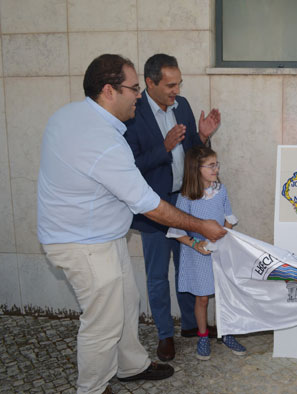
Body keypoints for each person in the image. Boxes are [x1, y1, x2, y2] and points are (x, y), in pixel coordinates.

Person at [37, 54, 226, 394]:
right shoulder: (103, 140)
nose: (138, 95)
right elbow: (148, 203)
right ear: (109, 90)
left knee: (126, 302)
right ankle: (92, 388)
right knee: (103, 321)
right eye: (134, 88)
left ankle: (130, 365)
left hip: (102, 235)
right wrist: (200, 225)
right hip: (84, 243)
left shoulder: (69, 115)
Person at [124, 54, 221, 362]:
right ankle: (165, 335)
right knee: (156, 275)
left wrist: (202, 135)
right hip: (153, 209)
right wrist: (163, 147)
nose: (175, 90)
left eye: (178, 83)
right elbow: (129, 167)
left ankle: (192, 326)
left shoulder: (183, 105)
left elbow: (192, 148)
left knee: (189, 267)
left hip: (184, 203)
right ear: (149, 83)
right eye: (169, 84)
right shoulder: (132, 113)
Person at [167, 146, 247, 360]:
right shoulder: (186, 197)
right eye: (211, 165)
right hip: (198, 255)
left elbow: (229, 216)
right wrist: (197, 245)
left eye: (217, 164)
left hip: (221, 251)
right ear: (196, 168)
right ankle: (203, 336)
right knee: (202, 298)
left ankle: (227, 333)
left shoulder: (221, 190)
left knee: (224, 295)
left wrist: (223, 234)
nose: (216, 169)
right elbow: (177, 231)